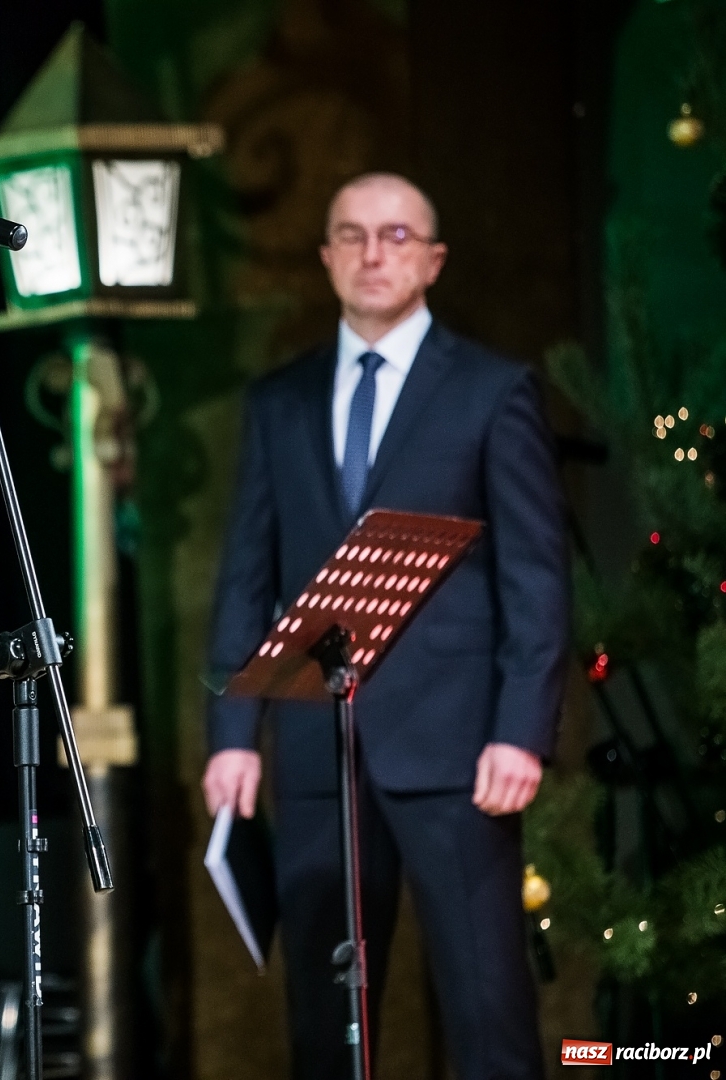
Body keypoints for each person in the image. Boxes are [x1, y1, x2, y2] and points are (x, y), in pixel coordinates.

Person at [201, 173, 568, 1080]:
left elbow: (535, 577)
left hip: (456, 757)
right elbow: (247, 580)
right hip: (315, 752)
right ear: (325, 255)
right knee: (324, 1021)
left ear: (433, 260)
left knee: (487, 1010)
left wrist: (521, 731)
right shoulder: (277, 402)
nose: (374, 253)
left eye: (397, 236)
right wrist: (234, 735)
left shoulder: (492, 390)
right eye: (353, 235)